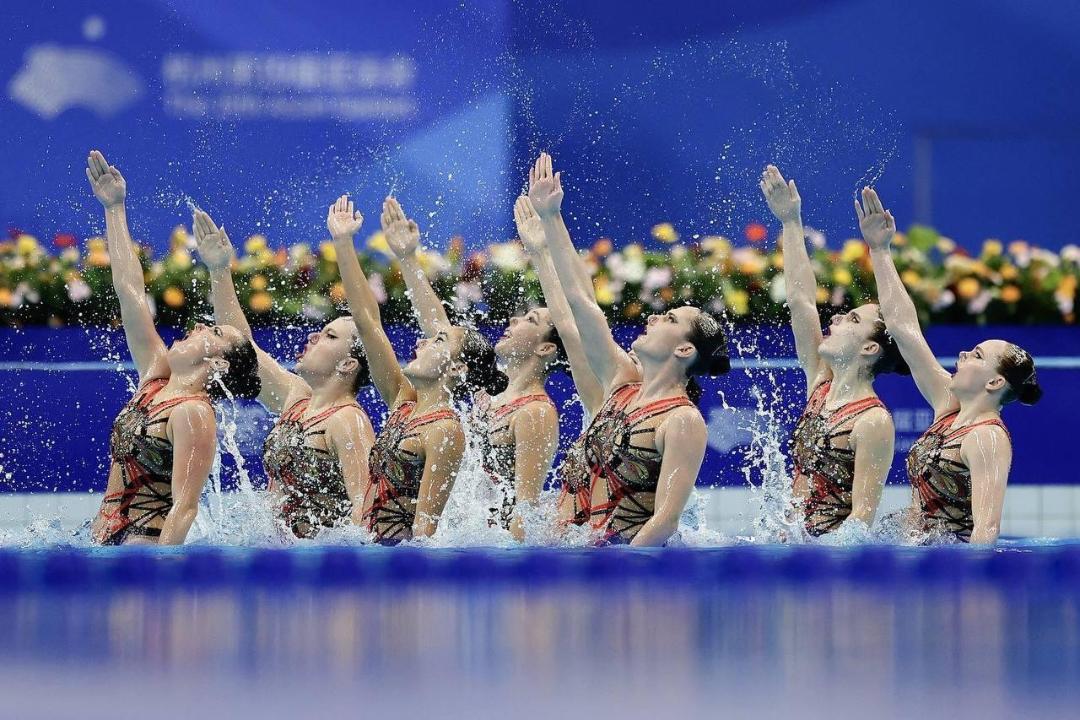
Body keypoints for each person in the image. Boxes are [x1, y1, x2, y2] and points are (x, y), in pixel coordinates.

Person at [531, 153, 728, 546]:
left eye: (670, 320)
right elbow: (581, 307)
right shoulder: (620, 383)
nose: (654, 319)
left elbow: (665, 521)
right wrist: (552, 218)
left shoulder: (683, 422)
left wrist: (622, 578)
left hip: (618, 574)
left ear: (685, 349)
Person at [84, 150, 261, 545]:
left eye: (212, 331)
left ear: (218, 363)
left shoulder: (194, 413)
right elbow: (129, 293)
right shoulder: (155, 378)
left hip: (143, 549)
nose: (198, 324)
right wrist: (114, 208)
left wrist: (163, 578)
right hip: (105, 543)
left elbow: (184, 508)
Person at [860, 187, 1041, 544]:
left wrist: (968, 592)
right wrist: (880, 251)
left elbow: (986, 529)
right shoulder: (949, 408)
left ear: (994, 383)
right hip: (920, 557)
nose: (961, 356)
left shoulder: (987, 437)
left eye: (975, 355)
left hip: (948, 569)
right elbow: (902, 328)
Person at [382, 197, 562, 541]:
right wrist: (407, 258)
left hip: (497, 553)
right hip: (467, 540)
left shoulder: (536, 413)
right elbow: (442, 333)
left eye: (531, 319)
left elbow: (526, 508)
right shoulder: (489, 395)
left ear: (546, 348)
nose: (514, 319)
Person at [330, 195, 504, 544]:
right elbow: (367, 324)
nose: (423, 342)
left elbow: (426, 531)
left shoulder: (445, 430)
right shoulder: (402, 403)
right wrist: (344, 244)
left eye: (436, 343)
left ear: (457, 369)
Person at [191, 209, 375, 539]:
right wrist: (219, 270)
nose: (314, 337)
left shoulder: (348, 420)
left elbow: (366, 512)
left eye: (330, 336)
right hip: (283, 560)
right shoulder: (298, 399)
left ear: (348, 365)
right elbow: (242, 349)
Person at [760, 165, 904, 538]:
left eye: (853, 320)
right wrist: (791, 222)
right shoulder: (820, 384)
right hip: (794, 549)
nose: (838, 317)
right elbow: (801, 301)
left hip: (827, 565)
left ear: (870, 347)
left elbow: (860, 521)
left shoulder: (873, 422)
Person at [516, 190, 607, 529]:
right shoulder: (606, 404)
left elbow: (577, 318)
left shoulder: (615, 398)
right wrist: (546, 237)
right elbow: (581, 312)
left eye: (668, 320)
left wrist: (546, 240)